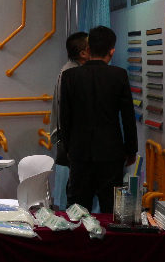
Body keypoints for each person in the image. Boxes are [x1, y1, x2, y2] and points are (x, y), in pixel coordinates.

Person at [59, 26, 138, 213]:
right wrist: (131, 150)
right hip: (111, 153)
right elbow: (128, 116)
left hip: (79, 152)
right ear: (112, 51)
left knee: (78, 209)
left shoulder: (70, 76)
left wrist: (68, 148)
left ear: (88, 49)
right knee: (110, 209)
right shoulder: (119, 75)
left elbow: (65, 117)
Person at [48, 32, 89, 209]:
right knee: (73, 191)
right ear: (83, 53)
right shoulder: (72, 73)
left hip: (68, 140)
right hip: (71, 141)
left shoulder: (69, 70)